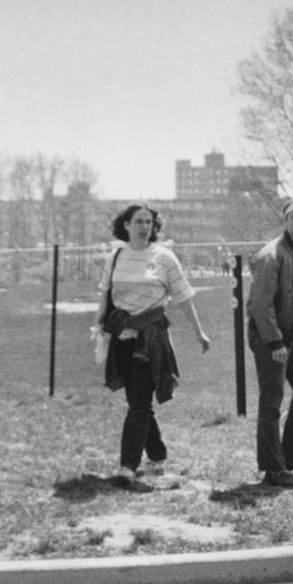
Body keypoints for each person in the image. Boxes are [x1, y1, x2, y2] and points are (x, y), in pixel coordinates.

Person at [94, 204, 211, 490]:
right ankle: (157, 453)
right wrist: (99, 328)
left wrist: (199, 333)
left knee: (138, 404)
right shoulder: (116, 256)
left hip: (152, 340)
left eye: (149, 222)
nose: (144, 227)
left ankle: (127, 467)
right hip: (122, 337)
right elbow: (106, 294)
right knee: (137, 401)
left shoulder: (164, 257)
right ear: (126, 225)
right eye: (138, 221)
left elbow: (184, 298)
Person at [248, 198, 293, 489]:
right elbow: (260, 305)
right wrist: (275, 342)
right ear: (285, 221)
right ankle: (272, 468)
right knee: (271, 402)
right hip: (272, 339)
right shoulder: (272, 255)